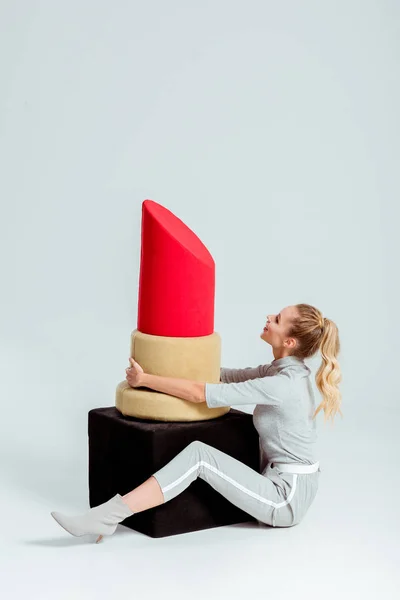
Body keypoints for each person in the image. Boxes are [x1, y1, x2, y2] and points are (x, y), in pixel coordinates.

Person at [51, 303, 342, 543]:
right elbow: (221, 375)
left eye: (277, 319)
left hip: (286, 497)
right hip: (281, 479)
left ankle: (108, 516)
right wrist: (166, 365)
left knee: (200, 456)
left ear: (289, 342)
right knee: (201, 454)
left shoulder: (281, 385)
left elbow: (200, 393)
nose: (268, 316)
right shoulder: (278, 372)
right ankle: (107, 517)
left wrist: (146, 380)